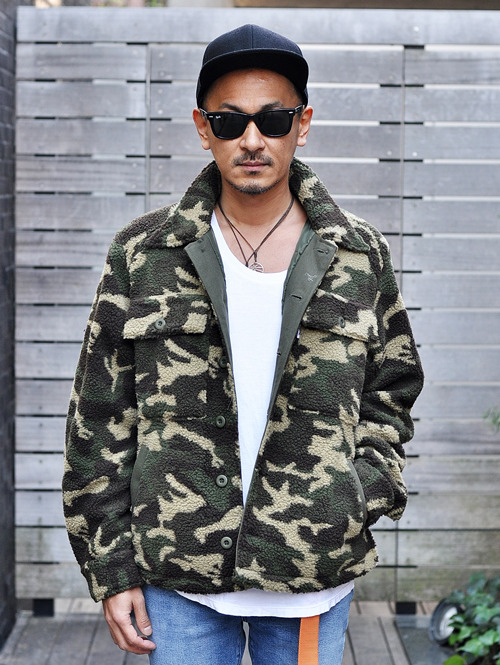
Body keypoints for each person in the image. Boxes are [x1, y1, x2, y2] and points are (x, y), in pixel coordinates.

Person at [63, 24, 424, 665]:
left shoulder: (359, 253)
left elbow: (392, 390)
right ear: (202, 128)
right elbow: (99, 418)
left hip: (313, 574)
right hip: (179, 578)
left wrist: (354, 496)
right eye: (229, 122)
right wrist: (110, 567)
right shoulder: (143, 253)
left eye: (273, 119)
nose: (252, 140)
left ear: (302, 124)